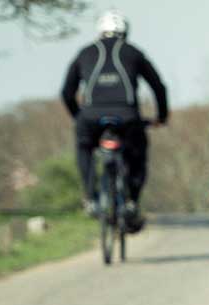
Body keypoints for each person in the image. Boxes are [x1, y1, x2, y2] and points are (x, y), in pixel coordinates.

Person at [60, 9, 168, 233]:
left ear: (100, 31)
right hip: (127, 116)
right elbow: (158, 86)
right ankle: (131, 202)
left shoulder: (85, 53)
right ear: (125, 32)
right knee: (138, 154)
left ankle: (90, 198)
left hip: (89, 117)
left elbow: (66, 92)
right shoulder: (133, 52)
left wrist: (78, 116)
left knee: (84, 148)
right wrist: (161, 117)